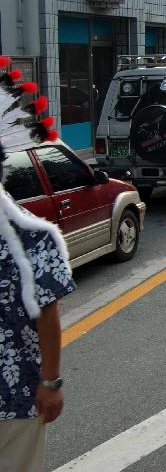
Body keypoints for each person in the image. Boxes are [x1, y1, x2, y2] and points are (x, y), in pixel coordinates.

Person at [0, 58, 74, 472]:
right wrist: (51, 384)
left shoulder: (32, 237)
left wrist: (49, 383)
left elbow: (47, 312)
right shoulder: (35, 237)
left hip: (15, 399)